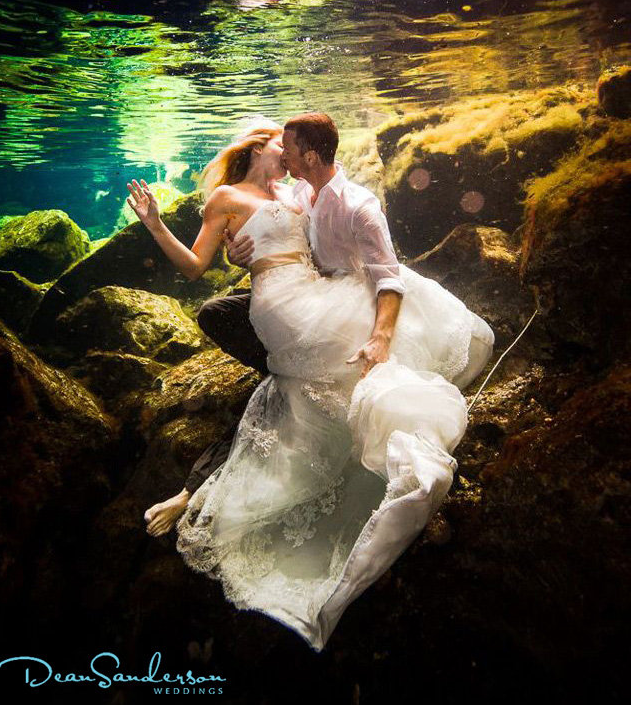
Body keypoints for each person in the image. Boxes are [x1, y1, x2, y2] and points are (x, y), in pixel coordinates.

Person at [127, 113, 494, 651]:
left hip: (314, 288)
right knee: (341, 350)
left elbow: (326, 241)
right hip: (280, 304)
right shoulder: (226, 197)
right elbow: (193, 268)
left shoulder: (301, 192)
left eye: (292, 145)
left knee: (370, 316)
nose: (289, 152)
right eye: (281, 143)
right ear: (260, 150)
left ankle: (366, 415)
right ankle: (378, 410)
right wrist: (158, 224)